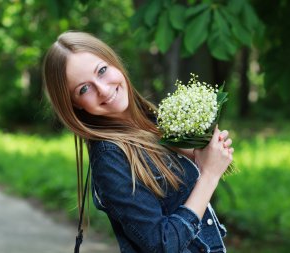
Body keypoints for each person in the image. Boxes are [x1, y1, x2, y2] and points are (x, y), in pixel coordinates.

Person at [43, 31, 234, 253]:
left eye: (102, 71)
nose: (103, 90)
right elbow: (162, 245)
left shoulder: (151, 121)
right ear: (74, 104)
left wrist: (201, 156)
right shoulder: (109, 158)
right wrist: (209, 176)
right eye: (84, 89)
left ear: (114, 63)